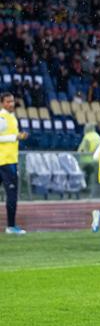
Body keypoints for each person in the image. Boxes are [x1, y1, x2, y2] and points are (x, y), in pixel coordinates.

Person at [0, 92, 28, 235]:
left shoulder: (11, 118)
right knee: (11, 195)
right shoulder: (2, 118)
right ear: (1, 103)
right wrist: (14, 137)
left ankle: (11, 226)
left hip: (5, 160)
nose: (11, 104)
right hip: (7, 161)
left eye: (12, 101)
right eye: (7, 101)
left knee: (11, 195)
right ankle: (11, 226)